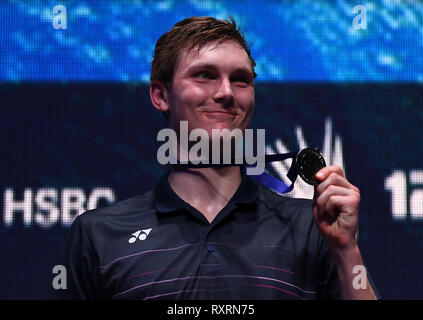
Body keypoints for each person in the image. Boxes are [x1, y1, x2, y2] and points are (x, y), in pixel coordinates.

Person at [56, 16, 378, 300]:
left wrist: (345, 250)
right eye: (205, 75)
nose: (226, 92)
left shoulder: (310, 228)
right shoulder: (99, 234)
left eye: (240, 79)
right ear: (160, 95)